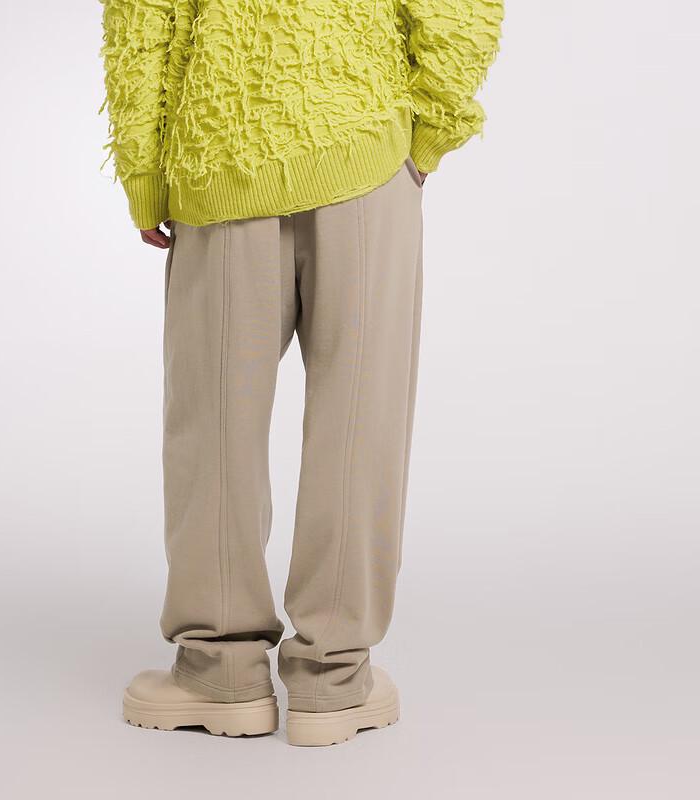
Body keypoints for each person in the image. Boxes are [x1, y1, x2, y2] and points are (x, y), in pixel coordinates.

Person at [101, 0, 502, 746]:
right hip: (363, 144)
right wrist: (431, 129)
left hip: (224, 153)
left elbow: (144, 18)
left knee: (213, 422)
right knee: (361, 421)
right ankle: (335, 679)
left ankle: (219, 667)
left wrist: (144, 167)